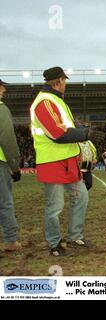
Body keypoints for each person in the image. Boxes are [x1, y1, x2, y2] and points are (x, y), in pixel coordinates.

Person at [30, 66, 105, 256]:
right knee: (55, 207)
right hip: (52, 161)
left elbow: (66, 126)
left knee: (81, 197)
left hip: (67, 160)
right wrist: (85, 134)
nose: (65, 84)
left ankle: (74, 236)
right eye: (64, 80)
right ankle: (54, 245)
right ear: (58, 81)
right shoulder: (44, 102)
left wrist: (81, 130)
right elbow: (56, 133)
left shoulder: (56, 101)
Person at [0, 78, 22, 252]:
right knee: (5, 203)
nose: (4, 90)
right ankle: (10, 241)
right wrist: (15, 166)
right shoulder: (1, 109)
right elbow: (7, 139)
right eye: (1, 86)